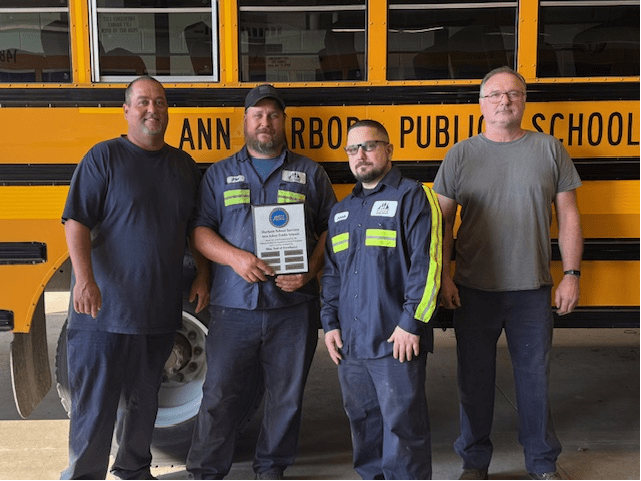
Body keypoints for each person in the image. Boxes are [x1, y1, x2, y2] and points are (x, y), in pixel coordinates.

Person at [432, 66, 583, 481]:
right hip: (472, 288)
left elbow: (568, 214)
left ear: (524, 100)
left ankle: (542, 463)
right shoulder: (461, 154)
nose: (504, 100)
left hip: (532, 290)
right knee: (473, 381)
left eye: (513, 93)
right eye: (495, 94)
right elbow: (442, 223)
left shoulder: (550, 149)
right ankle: (474, 463)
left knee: (535, 382)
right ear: (481, 104)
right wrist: (444, 277)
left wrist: (571, 273)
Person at [60, 75, 209, 480]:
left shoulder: (183, 165)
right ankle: (84, 475)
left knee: (145, 401)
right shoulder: (104, 157)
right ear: (126, 110)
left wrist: (203, 274)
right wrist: (85, 280)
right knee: (96, 404)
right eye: (143, 102)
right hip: (102, 313)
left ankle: (134, 469)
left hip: (157, 312)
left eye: (160, 102)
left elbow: (196, 227)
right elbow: (76, 221)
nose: (152, 110)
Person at [186, 84, 337, 480]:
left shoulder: (310, 173)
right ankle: (205, 471)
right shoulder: (219, 173)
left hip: (293, 307)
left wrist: (311, 269)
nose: (265, 122)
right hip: (234, 306)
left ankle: (271, 470)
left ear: (283, 121)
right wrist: (235, 258)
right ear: (245, 122)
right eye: (257, 115)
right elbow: (200, 230)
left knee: (286, 397)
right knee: (219, 395)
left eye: (272, 115)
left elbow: (332, 228)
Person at [320, 119, 443, 480]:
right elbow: (332, 273)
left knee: (403, 426)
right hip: (351, 344)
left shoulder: (414, 196)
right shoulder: (341, 211)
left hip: (396, 341)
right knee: (363, 423)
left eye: (369, 146)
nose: (360, 155)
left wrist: (412, 323)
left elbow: (429, 263)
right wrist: (329, 324)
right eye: (352, 149)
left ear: (389, 150)